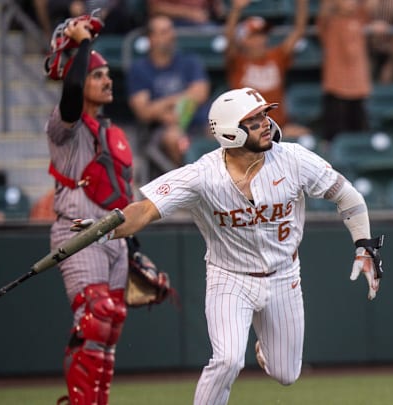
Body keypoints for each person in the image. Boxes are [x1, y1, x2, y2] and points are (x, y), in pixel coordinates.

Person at [78, 87, 385, 404]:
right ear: (229, 131)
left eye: (264, 115)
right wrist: (104, 228)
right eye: (253, 120)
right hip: (229, 278)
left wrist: (364, 244)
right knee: (227, 360)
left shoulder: (293, 159)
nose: (265, 123)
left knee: (287, 374)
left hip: (284, 276)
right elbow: (144, 209)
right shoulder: (202, 175)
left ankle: (265, 347)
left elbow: (347, 196)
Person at [43, 16, 134, 405]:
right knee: (95, 315)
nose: (107, 81)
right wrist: (81, 46)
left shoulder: (113, 133)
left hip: (114, 237)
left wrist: (138, 250)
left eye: (108, 74)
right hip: (78, 232)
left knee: (110, 323)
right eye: (99, 75)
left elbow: (123, 196)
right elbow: (73, 90)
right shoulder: (65, 126)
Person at [127, 15, 211, 175]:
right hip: (162, 129)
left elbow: (201, 93)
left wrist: (169, 106)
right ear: (151, 38)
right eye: (164, 32)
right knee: (175, 138)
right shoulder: (139, 69)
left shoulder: (189, 61)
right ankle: (191, 183)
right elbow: (144, 111)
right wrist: (183, 98)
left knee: (224, 131)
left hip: (198, 120)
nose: (171, 35)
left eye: (171, 30)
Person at [223, 0, 310, 137]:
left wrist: (302, 3)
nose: (261, 40)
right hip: (246, 128)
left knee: (306, 137)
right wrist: (236, 10)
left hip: (278, 126)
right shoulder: (238, 61)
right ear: (243, 41)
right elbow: (229, 41)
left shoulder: (276, 56)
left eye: (263, 35)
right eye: (254, 36)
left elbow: (299, 31)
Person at [317, 0, 377, 144]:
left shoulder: (360, 18)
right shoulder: (330, 22)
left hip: (358, 86)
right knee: (333, 138)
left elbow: (373, 7)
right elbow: (324, 13)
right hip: (336, 86)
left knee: (360, 138)